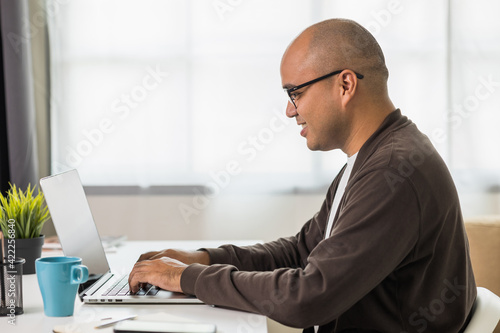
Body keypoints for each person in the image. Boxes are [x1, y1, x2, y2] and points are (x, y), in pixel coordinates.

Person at [128, 19, 476, 333]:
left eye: (296, 92)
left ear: (344, 85)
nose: (290, 110)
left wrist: (184, 278)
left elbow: (307, 298)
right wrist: (204, 259)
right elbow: (301, 252)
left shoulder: (393, 172)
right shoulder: (374, 159)